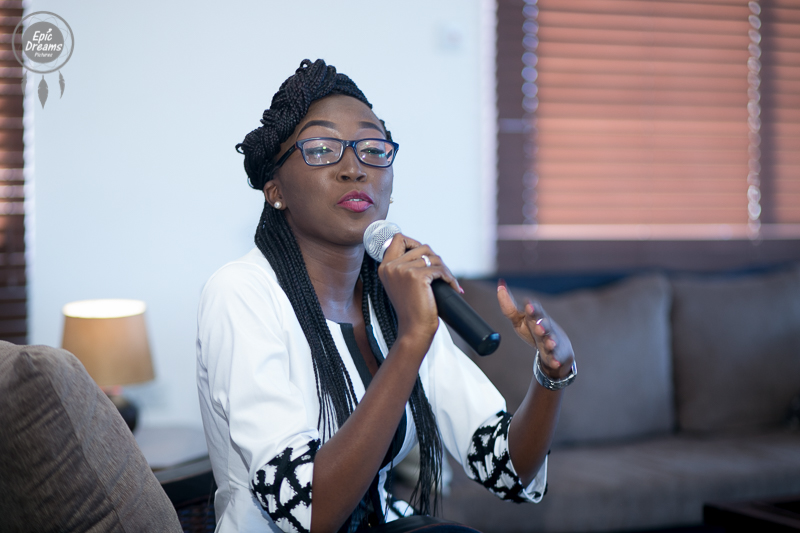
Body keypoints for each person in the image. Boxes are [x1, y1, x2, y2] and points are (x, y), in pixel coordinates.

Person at [196, 59, 577, 533]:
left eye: (373, 149)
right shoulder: (240, 294)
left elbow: (506, 470)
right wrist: (412, 339)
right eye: (322, 149)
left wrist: (550, 377)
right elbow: (309, 514)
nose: (354, 168)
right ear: (276, 190)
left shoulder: (393, 300)